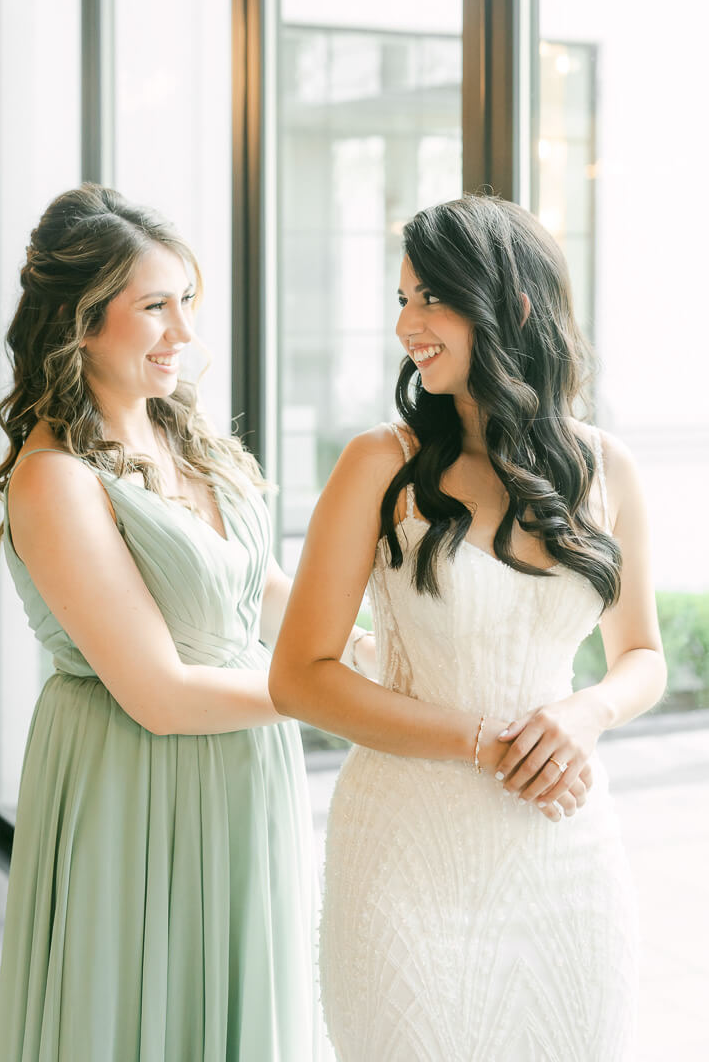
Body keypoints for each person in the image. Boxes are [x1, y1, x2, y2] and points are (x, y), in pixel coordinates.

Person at [269, 194, 666, 1061]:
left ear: (512, 306)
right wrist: (485, 742)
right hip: (407, 860)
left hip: (564, 851)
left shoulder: (608, 468)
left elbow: (640, 655)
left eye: (429, 298)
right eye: (401, 300)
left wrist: (584, 715)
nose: (407, 324)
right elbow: (299, 674)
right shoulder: (380, 463)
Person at [0, 183, 336, 1061]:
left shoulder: (183, 433)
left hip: (249, 756)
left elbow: (256, 590)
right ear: (81, 321)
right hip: (134, 774)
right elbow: (161, 695)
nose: (184, 331)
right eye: (156, 306)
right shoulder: (55, 478)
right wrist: (331, 694)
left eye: (188, 300)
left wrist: (366, 649)